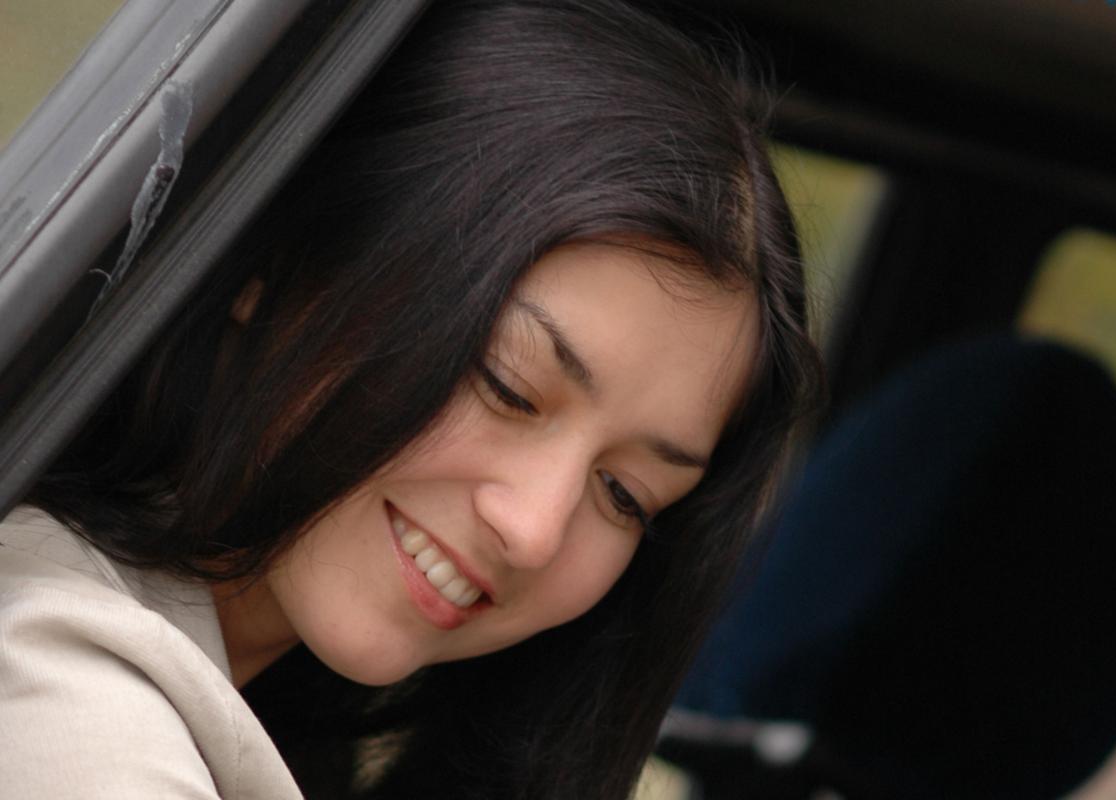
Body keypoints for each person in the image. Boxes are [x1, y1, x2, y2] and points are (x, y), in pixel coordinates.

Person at [0, 0, 822, 797]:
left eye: (626, 495)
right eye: (508, 387)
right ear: (287, 255)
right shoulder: (78, 724)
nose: (534, 530)